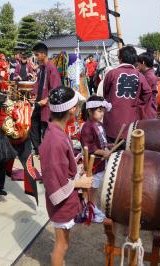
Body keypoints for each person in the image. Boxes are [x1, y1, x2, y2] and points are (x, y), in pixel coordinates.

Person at [39, 86, 93, 266]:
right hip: (62, 204)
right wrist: (80, 182)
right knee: (61, 244)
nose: (78, 108)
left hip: (65, 200)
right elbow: (55, 181)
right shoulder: (55, 140)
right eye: (77, 105)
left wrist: (77, 171)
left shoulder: (56, 132)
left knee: (63, 243)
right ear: (72, 110)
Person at [103, 46, 155, 143]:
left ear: (120, 59)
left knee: (111, 152)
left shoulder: (112, 73)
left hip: (112, 120)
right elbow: (148, 92)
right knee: (127, 153)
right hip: (130, 120)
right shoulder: (139, 75)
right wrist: (137, 103)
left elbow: (105, 92)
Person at [80, 95, 113, 223]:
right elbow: (88, 146)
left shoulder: (99, 124)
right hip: (93, 164)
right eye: (99, 110)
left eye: (102, 110)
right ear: (89, 111)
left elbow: (101, 141)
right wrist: (103, 152)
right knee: (92, 187)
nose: (102, 113)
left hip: (100, 162)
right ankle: (90, 210)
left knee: (95, 187)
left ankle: (92, 207)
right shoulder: (87, 126)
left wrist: (109, 145)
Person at [31, 42, 62, 155]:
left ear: (43, 54)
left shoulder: (51, 68)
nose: (36, 57)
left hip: (46, 104)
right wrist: (33, 94)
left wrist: (46, 100)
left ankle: (46, 151)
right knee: (33, 124)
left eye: (37, 54)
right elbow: (38, 83)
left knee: (45, 128)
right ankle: (38, 149)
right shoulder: (42, 67)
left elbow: (56, 88)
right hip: (39, 102)